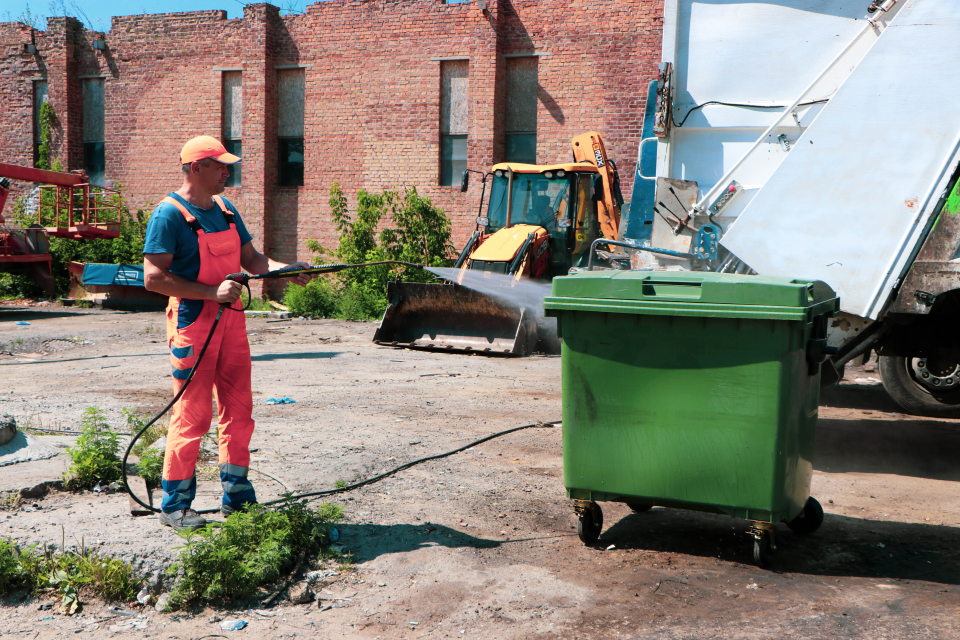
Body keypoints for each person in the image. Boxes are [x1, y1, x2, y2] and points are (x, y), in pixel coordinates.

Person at [143, 135, 312, 531]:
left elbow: (251, 259)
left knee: (239, 411)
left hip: (232, 321)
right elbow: (153, 278)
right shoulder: (168, 215)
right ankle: (175, 504)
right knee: (192, 415)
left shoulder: (226, 209)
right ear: (195, 168)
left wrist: (282, 270)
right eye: (219, 165)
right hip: (193, 324)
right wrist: (208, 293)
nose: (227, 171)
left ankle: (237, 496)